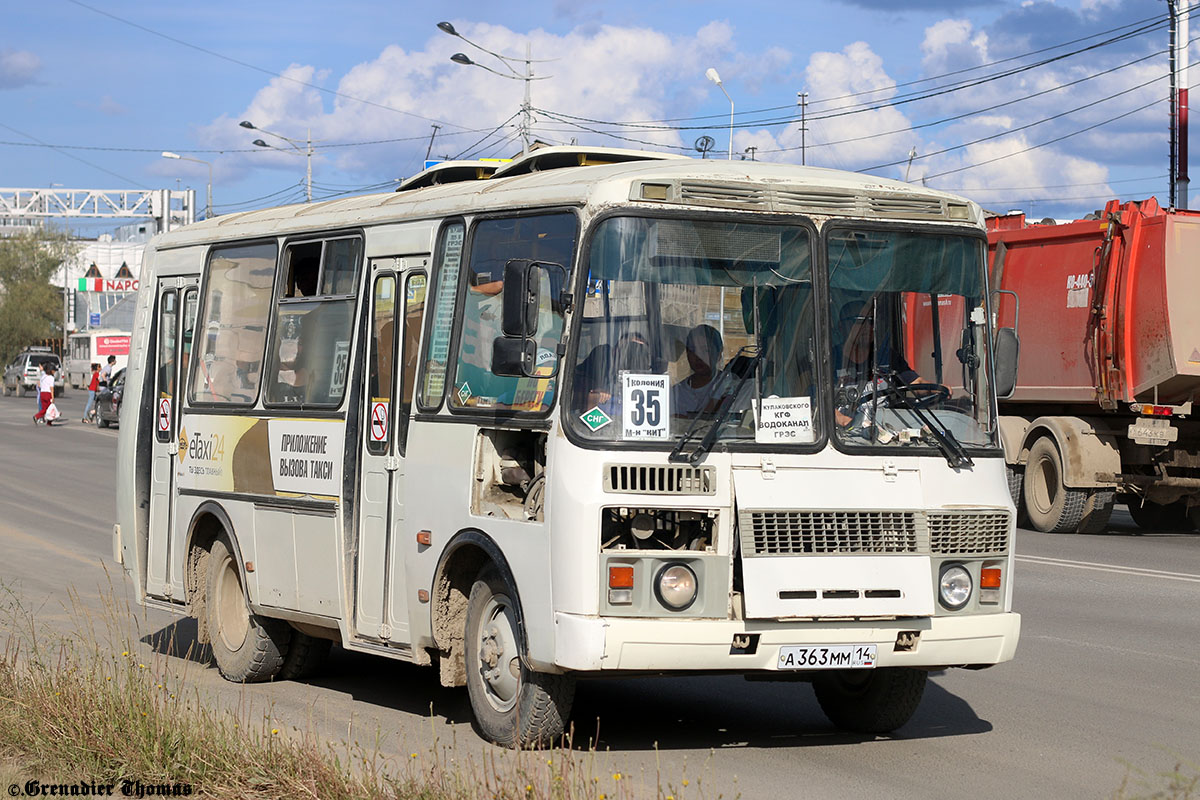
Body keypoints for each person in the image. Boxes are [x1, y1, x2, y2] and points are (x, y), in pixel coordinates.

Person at [834, 299, 936, 429]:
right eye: (859, 320)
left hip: (883, 433)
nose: (866, 327)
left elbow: (915, 384)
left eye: (871, 321)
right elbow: (818, 402)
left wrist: (937, 388)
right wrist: (842, 420)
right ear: (841, 327)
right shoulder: (830, 361)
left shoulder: (886, 356)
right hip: (844, 438)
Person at [673, 324, 723, 415]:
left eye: (705, 350)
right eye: (693, 350)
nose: (698, 357)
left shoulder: (728, 383)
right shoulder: (675, 393)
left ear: (719, 354)